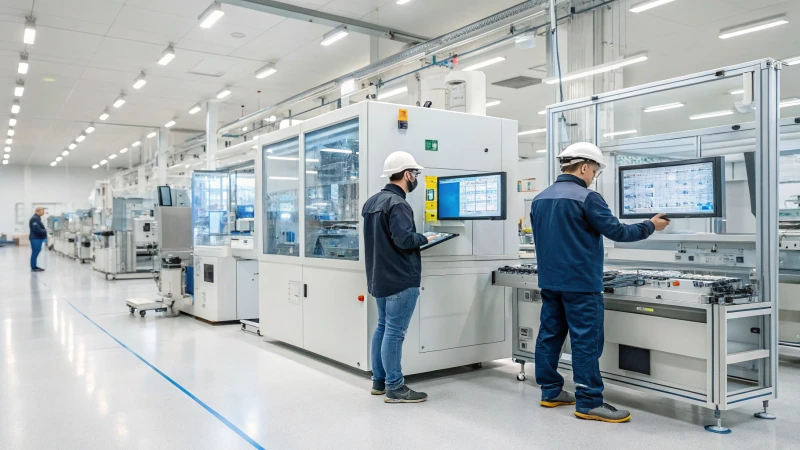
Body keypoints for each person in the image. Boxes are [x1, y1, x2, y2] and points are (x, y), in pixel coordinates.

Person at [530, 142, 670, 423]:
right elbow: (618, 231)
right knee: (586, 341)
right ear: (584, 167)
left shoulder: (540, 198)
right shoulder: (587, 198)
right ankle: (589, 401)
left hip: (550, 281)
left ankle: (550, 391)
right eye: (594, 171)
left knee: (550, 335)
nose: (593, 177)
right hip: (581, 284)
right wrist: (650, 225)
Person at [362, 151, 434, 404]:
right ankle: (395, 387)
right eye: (415, 174)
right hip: (401, 278)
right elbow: (404, 240)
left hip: (379, 277)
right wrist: (426, 238)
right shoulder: (398, 204)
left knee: (382, 327)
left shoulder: (372, 202)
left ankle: (379, 382)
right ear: (406, 174)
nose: (416, 179)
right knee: (394, 332)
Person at [29, 207, 48, 272]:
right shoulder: (34, 219)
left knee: (36, 252)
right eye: (42, 211)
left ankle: (34, 266)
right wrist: (45, 230)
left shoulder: (37, 218)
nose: (43, 212)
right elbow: (37, 229)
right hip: (36, 238)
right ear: (37, 211)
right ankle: (34, 267)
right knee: (35, 252)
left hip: (37, 238)